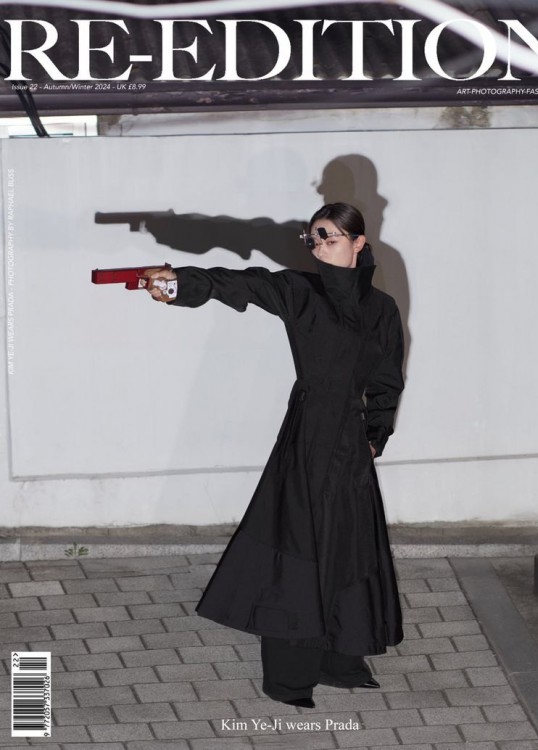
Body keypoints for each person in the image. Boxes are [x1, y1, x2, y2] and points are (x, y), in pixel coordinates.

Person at [141, 202, 405, 709]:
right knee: (298, 550)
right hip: (307, 438)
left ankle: (340, 659)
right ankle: (289, 677)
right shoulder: (300, 291)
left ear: (358, 243)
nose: (319, 246)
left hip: (351, 445)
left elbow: (387, 379)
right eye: (313, 239)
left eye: (329, 237)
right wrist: (177, 284)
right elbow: (240, 284)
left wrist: (376, 435)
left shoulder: (383, 309)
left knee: (349, 547)